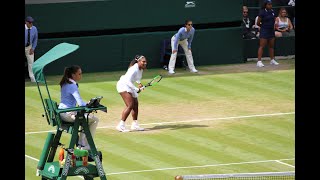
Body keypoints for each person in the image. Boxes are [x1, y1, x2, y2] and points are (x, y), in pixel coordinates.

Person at [58, 65, 99, 150]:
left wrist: (86, 104)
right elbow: (80, 104)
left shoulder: (65, 83)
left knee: (87, 118)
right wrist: (88, 104)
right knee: (94, 119)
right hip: (68, 114)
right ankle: (84, 145)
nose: (81, 76)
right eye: (79, 74)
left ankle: (82, 144)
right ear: (73, 75)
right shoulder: (72, 85)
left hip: (62, 113)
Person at [116, 55, 147, 132]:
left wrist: (140, 85)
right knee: (130, 105)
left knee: (135, 104)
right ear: (138, 61)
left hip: (129, 86)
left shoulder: (141, 69)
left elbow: (137, 78)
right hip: (123, 85)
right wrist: (136, 89)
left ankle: (135, 125)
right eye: (143, 61)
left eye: (145, 62)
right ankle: (121, 125)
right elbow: (127, 81)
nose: (145, 63)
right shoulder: (133, 69)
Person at [256, 0, 279, 67]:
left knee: (271, 46)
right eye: (269, 4)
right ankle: (259, 61)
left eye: (271, 4)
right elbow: (258, 23)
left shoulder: (272, 11)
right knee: (262, 46)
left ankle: (272, 60)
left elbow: (274, 20)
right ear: (265, 5)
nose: (270, 5)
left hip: (271, 31)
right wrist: (263, 27)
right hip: (264, 31)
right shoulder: (262, 12)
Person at [25, 16, 38, 82]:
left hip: (29, 47)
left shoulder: (34, 29)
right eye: (30, 22)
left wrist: (33, 48)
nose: (31, 24)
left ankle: (32, 79)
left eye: (32, 22)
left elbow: (35, 39)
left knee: (31, 63)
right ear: (26, 22)